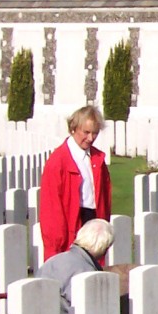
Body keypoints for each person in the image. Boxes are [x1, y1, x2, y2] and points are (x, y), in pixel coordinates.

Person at [39, 105, 112, 264]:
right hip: (69, 222)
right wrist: (57, 243)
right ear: (73, 128)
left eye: (95, 133)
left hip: (92, 221)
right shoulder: (58, 161)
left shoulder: (97, 159)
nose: (91, 138)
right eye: (86, 132)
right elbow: (51, 206)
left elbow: (104, 199)